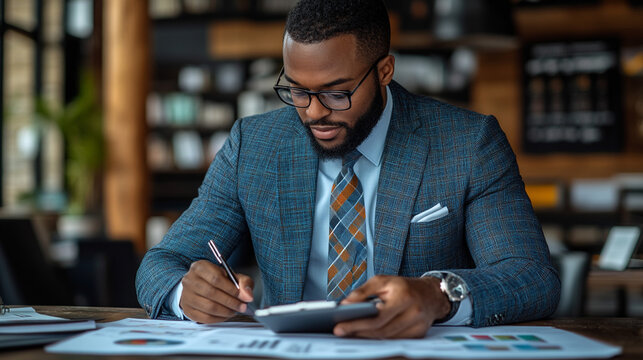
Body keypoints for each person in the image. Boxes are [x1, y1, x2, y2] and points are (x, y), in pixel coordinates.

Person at [136, 0, 560, 339]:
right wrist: (183, 293)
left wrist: (438, 294)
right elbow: (162, 262)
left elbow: (531, 276)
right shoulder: (255, 145)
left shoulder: (468, 143)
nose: (314, 113)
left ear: (384, 72)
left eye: (337, 93)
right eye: (297, 91)